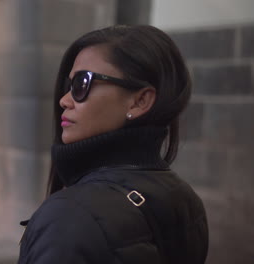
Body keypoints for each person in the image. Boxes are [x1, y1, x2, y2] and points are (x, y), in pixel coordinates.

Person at [17, 25, 208, 264]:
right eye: (69, 87)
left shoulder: (69, 218)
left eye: (81, 84)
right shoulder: (186, 199)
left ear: (139, 101)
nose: (64, 100)